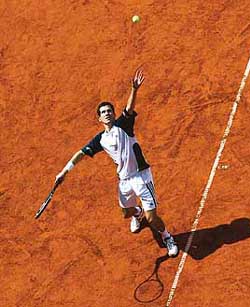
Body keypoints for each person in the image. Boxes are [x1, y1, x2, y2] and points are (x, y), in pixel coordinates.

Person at [55, 69, 178, 257]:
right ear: (99, 118)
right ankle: (138, 213)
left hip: (141, 177)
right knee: (126, 213)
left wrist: (134, 89)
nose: (107, 113)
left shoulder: (123, 125)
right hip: (124, 181)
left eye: (109, 111)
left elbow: (129, 109)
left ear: (114, 114)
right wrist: (64, 171)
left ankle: (167, 236)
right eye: (103, 112)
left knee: (152, 218)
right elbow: (80, 153)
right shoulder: (100, 140)